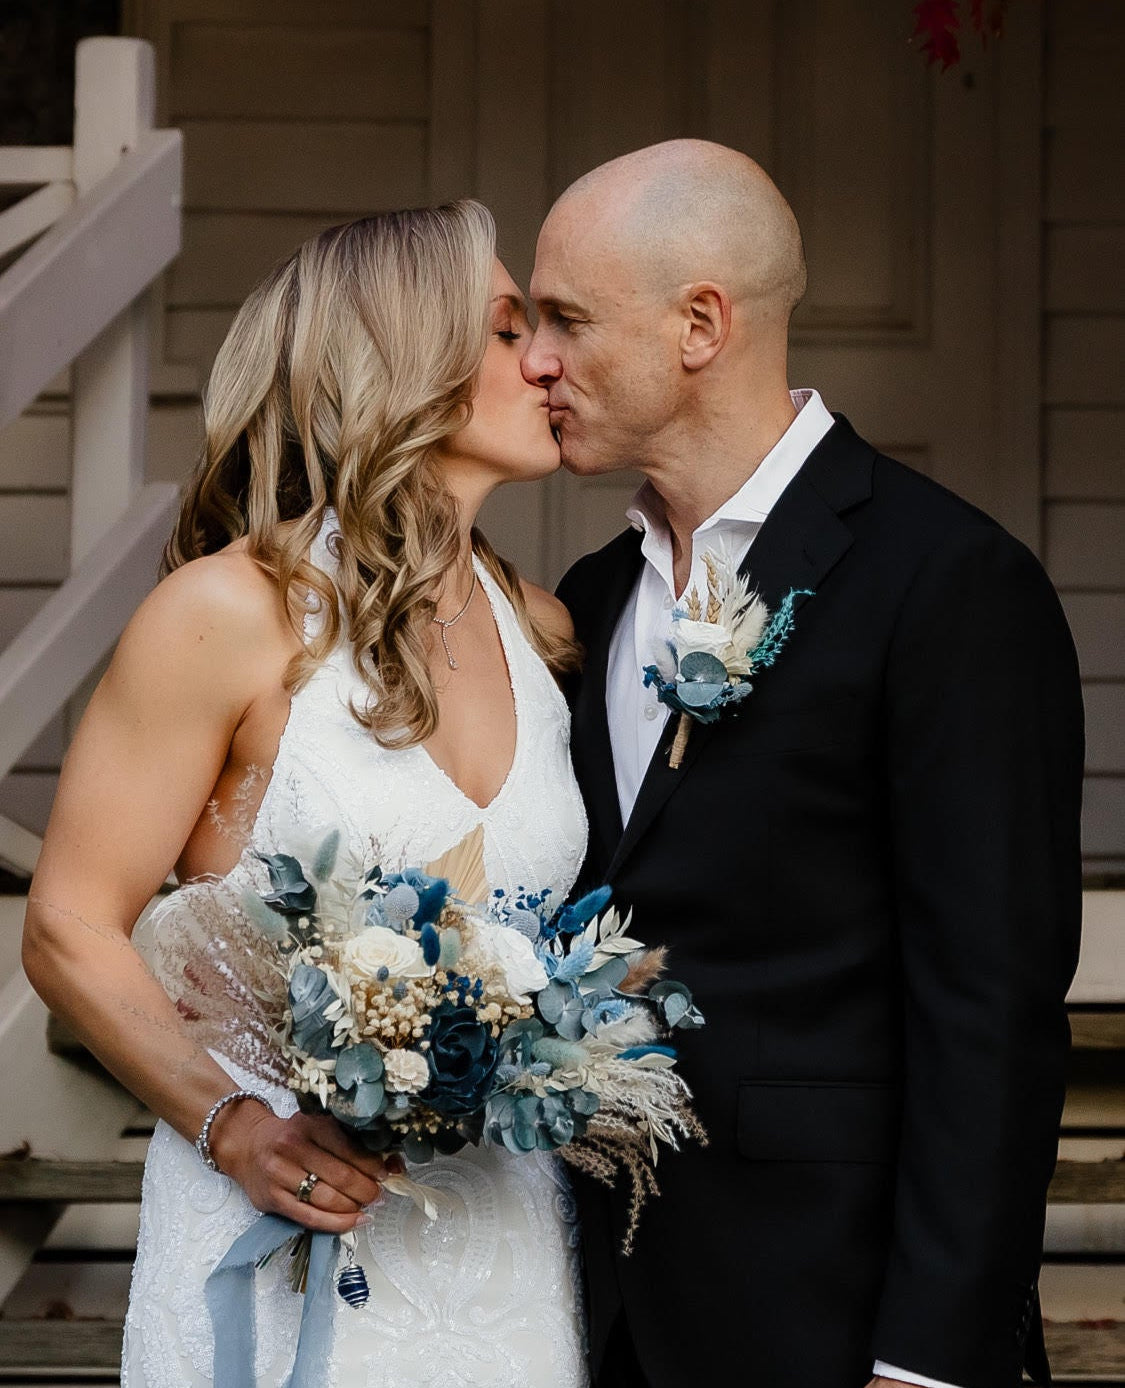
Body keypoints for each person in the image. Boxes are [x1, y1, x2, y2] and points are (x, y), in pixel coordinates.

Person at [526, 140, 1084, 1388]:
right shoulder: (592, 597)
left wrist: (931, 1356)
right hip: (601, 1304)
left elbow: (989, 1010)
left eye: (565, 318)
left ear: (701, 324)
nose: (534, 361)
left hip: (835, 1313)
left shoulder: (945, 582)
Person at [22, 200, 590, 1387]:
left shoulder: (545, 632)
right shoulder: (230, 616)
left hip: (507, 1245)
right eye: (504, 328)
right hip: (281, 1227)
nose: (545, 357)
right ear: (403, 364)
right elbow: (69, 923)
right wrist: (233, 1126)